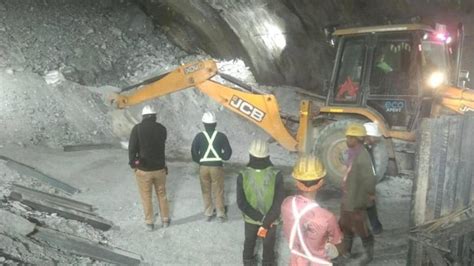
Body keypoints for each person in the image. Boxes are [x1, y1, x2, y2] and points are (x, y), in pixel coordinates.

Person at [281, 155, 343, 265]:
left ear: (296, 182)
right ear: (321, 182)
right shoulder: (327, 217)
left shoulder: (286, 204)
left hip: (296, 261)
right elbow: (337, 242)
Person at [237, 139, 284, 266]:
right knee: (268, 246)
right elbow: (278, 202)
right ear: (267, 156)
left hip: (251, 219)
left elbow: (241, 203)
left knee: (249, 241)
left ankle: (248, 262)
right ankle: (268, 262)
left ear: (250, 155)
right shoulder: (277, 175)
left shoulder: (243, 175)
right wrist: (266, 220)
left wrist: (259, 218)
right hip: (271, 220)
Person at [339, 123, 376, 264]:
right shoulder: (352, 153)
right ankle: (346, 252)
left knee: (360, 227)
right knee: (345, 225)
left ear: (358, 138)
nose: (347, 140)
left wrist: (370, 194)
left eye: (350, 137)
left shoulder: (363, 155)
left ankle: (368, 254)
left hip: (356, 199)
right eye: (347, 137)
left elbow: (369, 178)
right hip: (348, 197)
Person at [128, 105, 169, 231]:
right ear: (155, 116)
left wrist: (133, 165)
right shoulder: (162, 129)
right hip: (160, 169)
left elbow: (132, 149)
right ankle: (165, 220)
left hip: (144, 170)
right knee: (162, 195)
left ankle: (150, 223)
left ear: (143, 116)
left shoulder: (137, 129)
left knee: (146, 196)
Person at [191, 111, 232, 222]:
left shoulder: (199, 136)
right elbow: (228, 154)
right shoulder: (221, 136)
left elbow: (193, 152)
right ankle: (220, 214)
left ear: (203, 123)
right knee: (218, 190)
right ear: (215, 124)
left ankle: (208, 213)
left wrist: (201, 161)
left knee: (206, 190)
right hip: (216, 167)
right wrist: (220, 156)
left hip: (203, 167)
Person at [364, 122, 384, 235]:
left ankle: (376, 227)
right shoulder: (363, 150)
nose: (375, 140)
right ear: (367, 136)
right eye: (374, 137)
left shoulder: (367, 147)